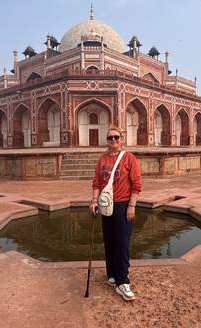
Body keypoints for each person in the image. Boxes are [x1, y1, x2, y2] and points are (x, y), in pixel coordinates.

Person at [90, 126, 142, 301]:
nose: (113, 141)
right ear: (107, 140)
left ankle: (123, 280)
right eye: (110, 138)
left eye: (116, 138)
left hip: (122, 205)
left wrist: (131, 206)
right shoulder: (102, 159)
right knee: (110, 241)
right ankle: (111, 275)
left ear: (122, 139)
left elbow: (136, 185)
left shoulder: (129, 158)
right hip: (106, 206)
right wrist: (94, 201)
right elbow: (96, 183)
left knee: (122, 243)